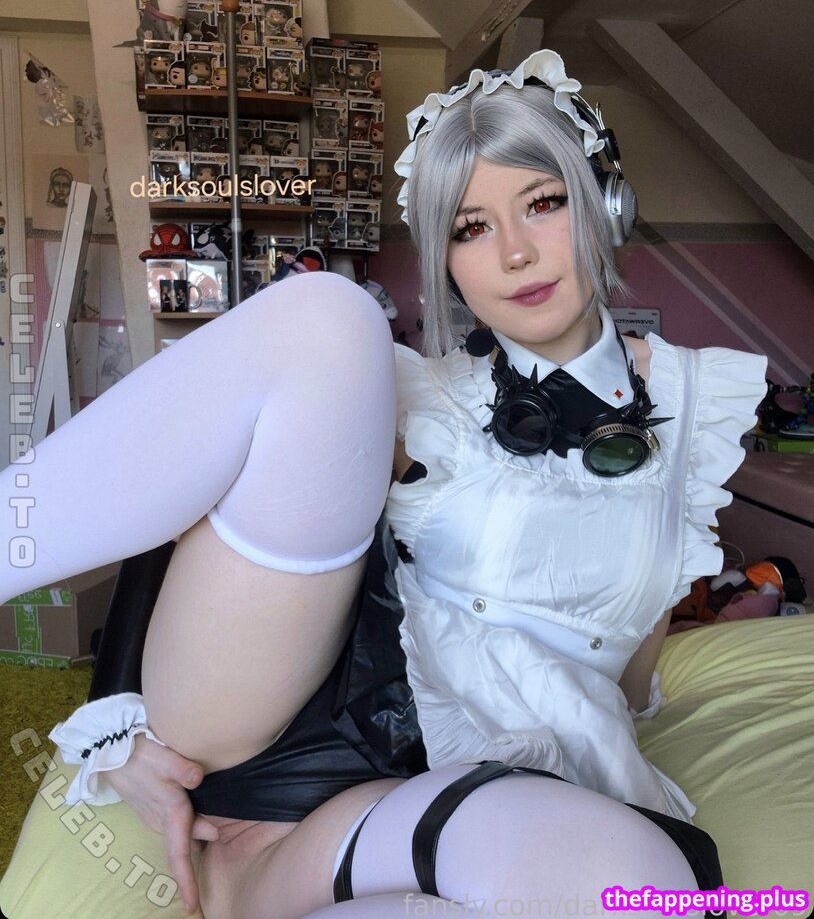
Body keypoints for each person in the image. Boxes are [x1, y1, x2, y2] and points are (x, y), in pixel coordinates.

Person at [0, 50, 767, 919]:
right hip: (284, 739)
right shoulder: (410, 396)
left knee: (640, 882)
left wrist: (616, 712)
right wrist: (113, 725)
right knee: (329, 315)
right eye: (470, 228)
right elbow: (193, 522)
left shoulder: (699, 404)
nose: (515, 253)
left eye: (544, 203)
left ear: (605, 204)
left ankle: (255, 881)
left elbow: (633, 654)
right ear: (446, 259)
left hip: (438, 795)